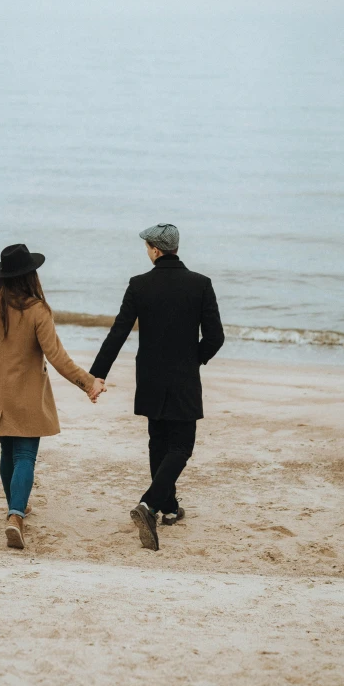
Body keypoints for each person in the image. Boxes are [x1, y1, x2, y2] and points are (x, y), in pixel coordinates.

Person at [90, 223, 224, 551]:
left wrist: (97, 374)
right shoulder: (200, 284)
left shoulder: (139, 285)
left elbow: (118, 333)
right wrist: (194, 360)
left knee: (158, 442)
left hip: (149, 376)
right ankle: (150, 505)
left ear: (154, 250)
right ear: (175, 248)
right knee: (181, 446)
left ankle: (169, 507)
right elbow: (216, 337)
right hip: (183, 377)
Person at [0, 243, 105, 549]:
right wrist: (89, 383)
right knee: (25, 455)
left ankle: (15, 508)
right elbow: (57, 356)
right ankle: (16, 514)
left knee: (8, 452)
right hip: (27, 394)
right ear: (30, 276)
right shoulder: (36, 309)